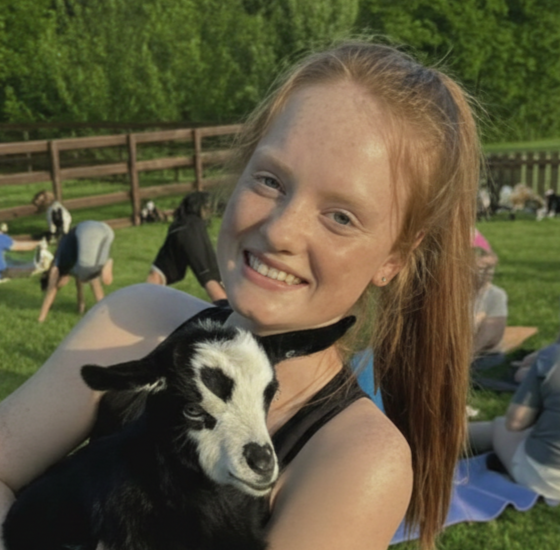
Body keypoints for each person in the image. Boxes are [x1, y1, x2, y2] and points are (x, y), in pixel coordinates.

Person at [0, 41, 480, 550]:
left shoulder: (356, 458)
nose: (281, 231)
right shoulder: (137, 320)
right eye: (271, 180)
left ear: (395, 258)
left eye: (341, 216)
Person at [469, 343, 560, 502]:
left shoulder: (551, 357)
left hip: (546, 477)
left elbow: (515, 423)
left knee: (497, 427)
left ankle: (435, 437)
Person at [146, 191, 227, 302]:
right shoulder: (195, 225)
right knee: (207, 273)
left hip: (177, 230)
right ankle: (225, 307)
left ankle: (144, 301)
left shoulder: (180, 222)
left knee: (159, 270)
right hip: (191, 231)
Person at [38, 220, 115, 322]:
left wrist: (41, 318)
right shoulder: (72, 265)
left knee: (88, 272)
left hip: (86, 231)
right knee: (89, 274)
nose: (60, 286)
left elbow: (51, 291)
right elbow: (79, 285)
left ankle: (104, 266)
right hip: (106, 230)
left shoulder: (57, 265)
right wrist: (81, 306)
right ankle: (104, 314)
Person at [472, 229, 508, 367]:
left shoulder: (495, 295)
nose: (488, 273)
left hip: (481, 357)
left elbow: (489, 337)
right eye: (482, 268)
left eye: (490, 268)